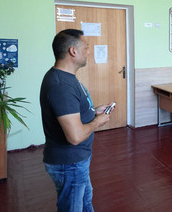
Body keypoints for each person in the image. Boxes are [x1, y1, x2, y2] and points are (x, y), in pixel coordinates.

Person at [40, 29, 114, 212]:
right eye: (86, 47)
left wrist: (93, 111)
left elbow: (72, 112)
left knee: (86, 203)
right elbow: (75, 136)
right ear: (73, 51)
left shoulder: (66, 78)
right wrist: (98, 122)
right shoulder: (61, 85)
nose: (88, 51)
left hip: (76, 160)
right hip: (69, 163)